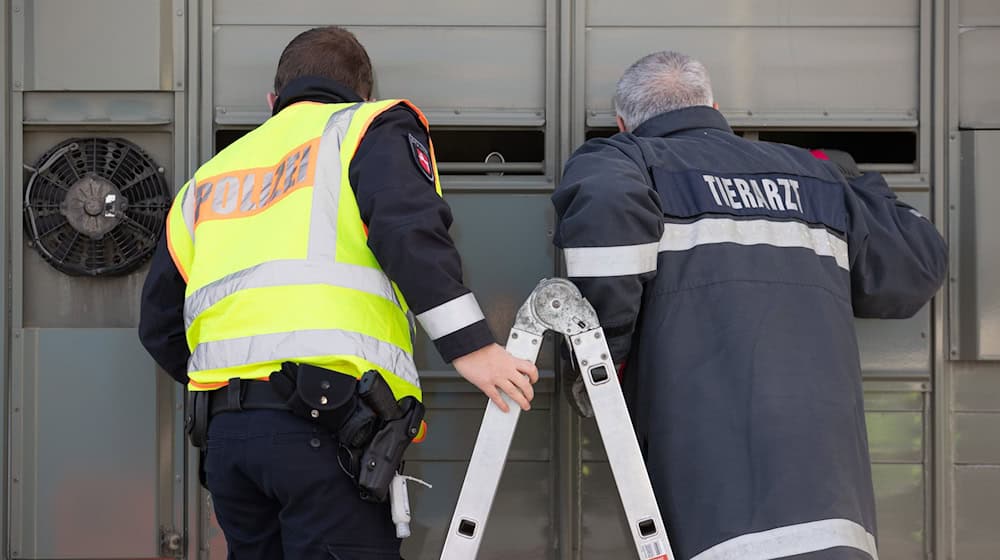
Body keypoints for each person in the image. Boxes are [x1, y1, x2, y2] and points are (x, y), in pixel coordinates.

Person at [138, 26, 538, 560]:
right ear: (363, 94)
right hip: (325, 430)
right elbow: (407, 233)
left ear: (272, 102)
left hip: (229, 440)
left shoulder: (209, 178)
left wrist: (236, 388)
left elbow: (160, 323)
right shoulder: (365, 128)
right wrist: (473, 347)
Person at [552, 51, 947, 560]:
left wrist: (597, 367)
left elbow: (605, 232)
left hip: (716, 497)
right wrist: (853, 179)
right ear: (715, 106)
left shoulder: (624, 159)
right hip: (833, 500)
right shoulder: (815, 175)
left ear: (624, 123)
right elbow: (917, 265)